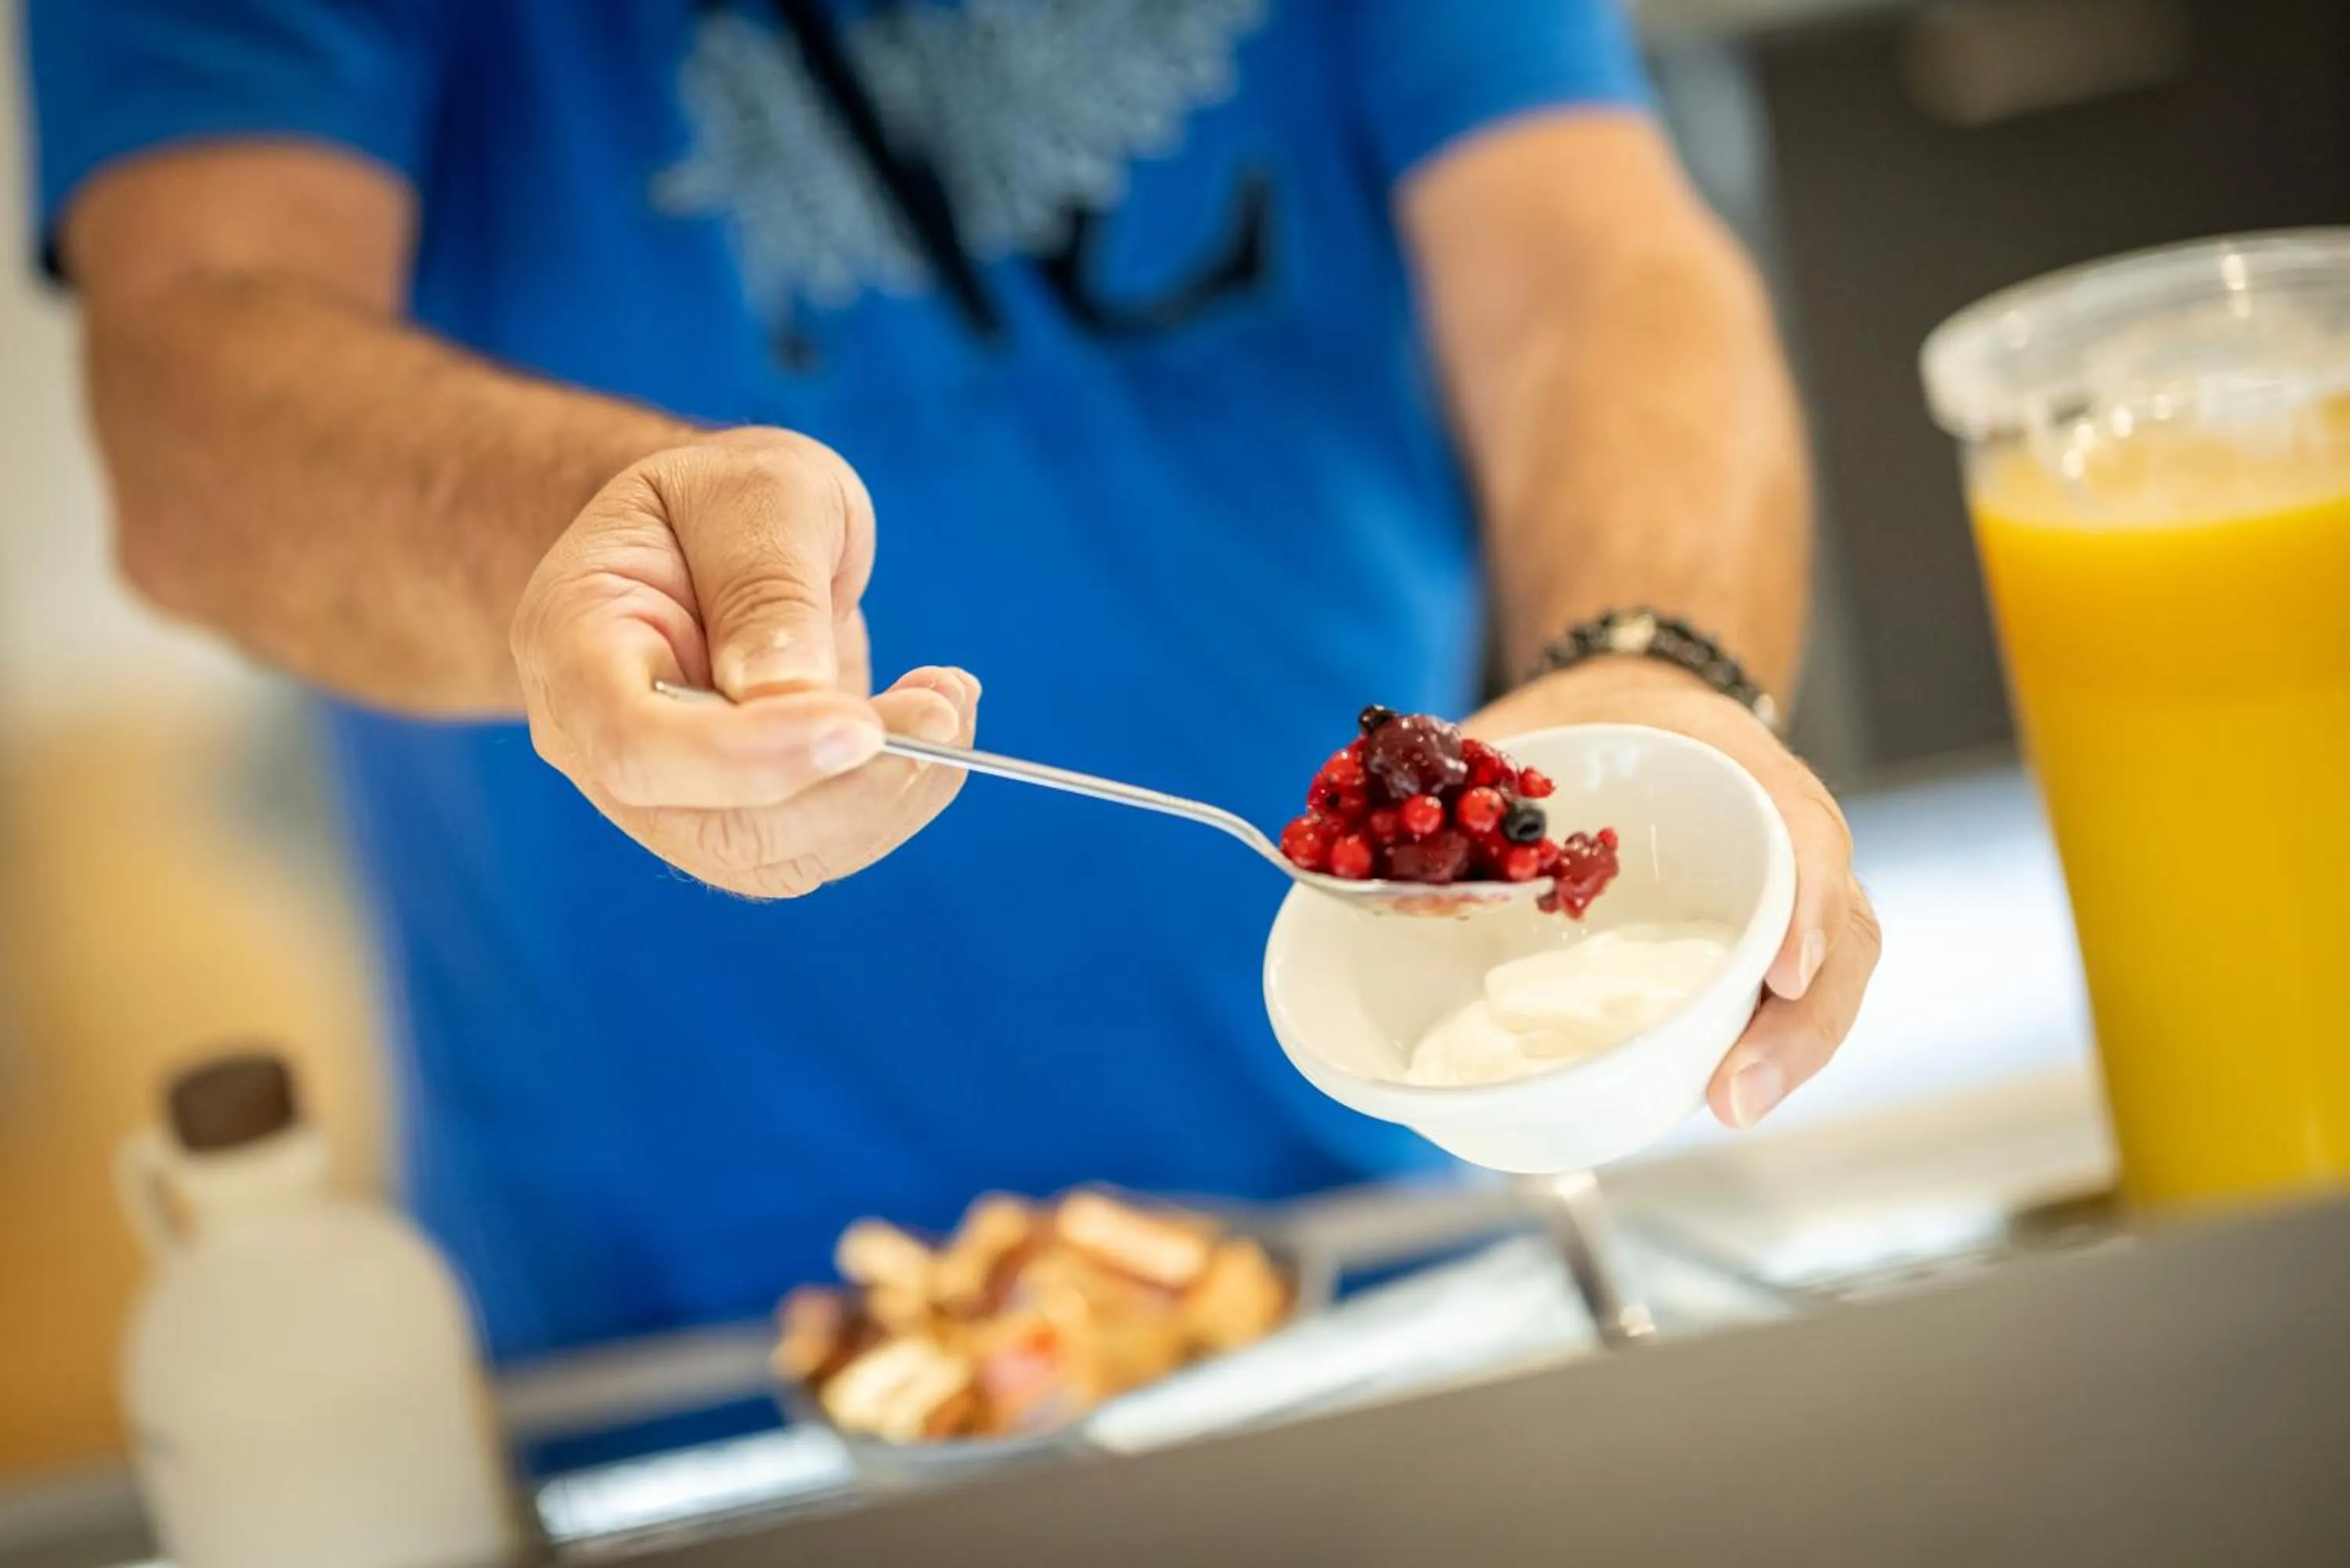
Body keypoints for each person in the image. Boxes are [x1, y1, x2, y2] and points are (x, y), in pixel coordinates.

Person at [25, 0, 1879, 1367]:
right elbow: (191, 392)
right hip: (696, 1343)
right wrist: (572, 529)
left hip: (1411, 1230)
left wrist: (1651, 660)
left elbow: (1589, 251)